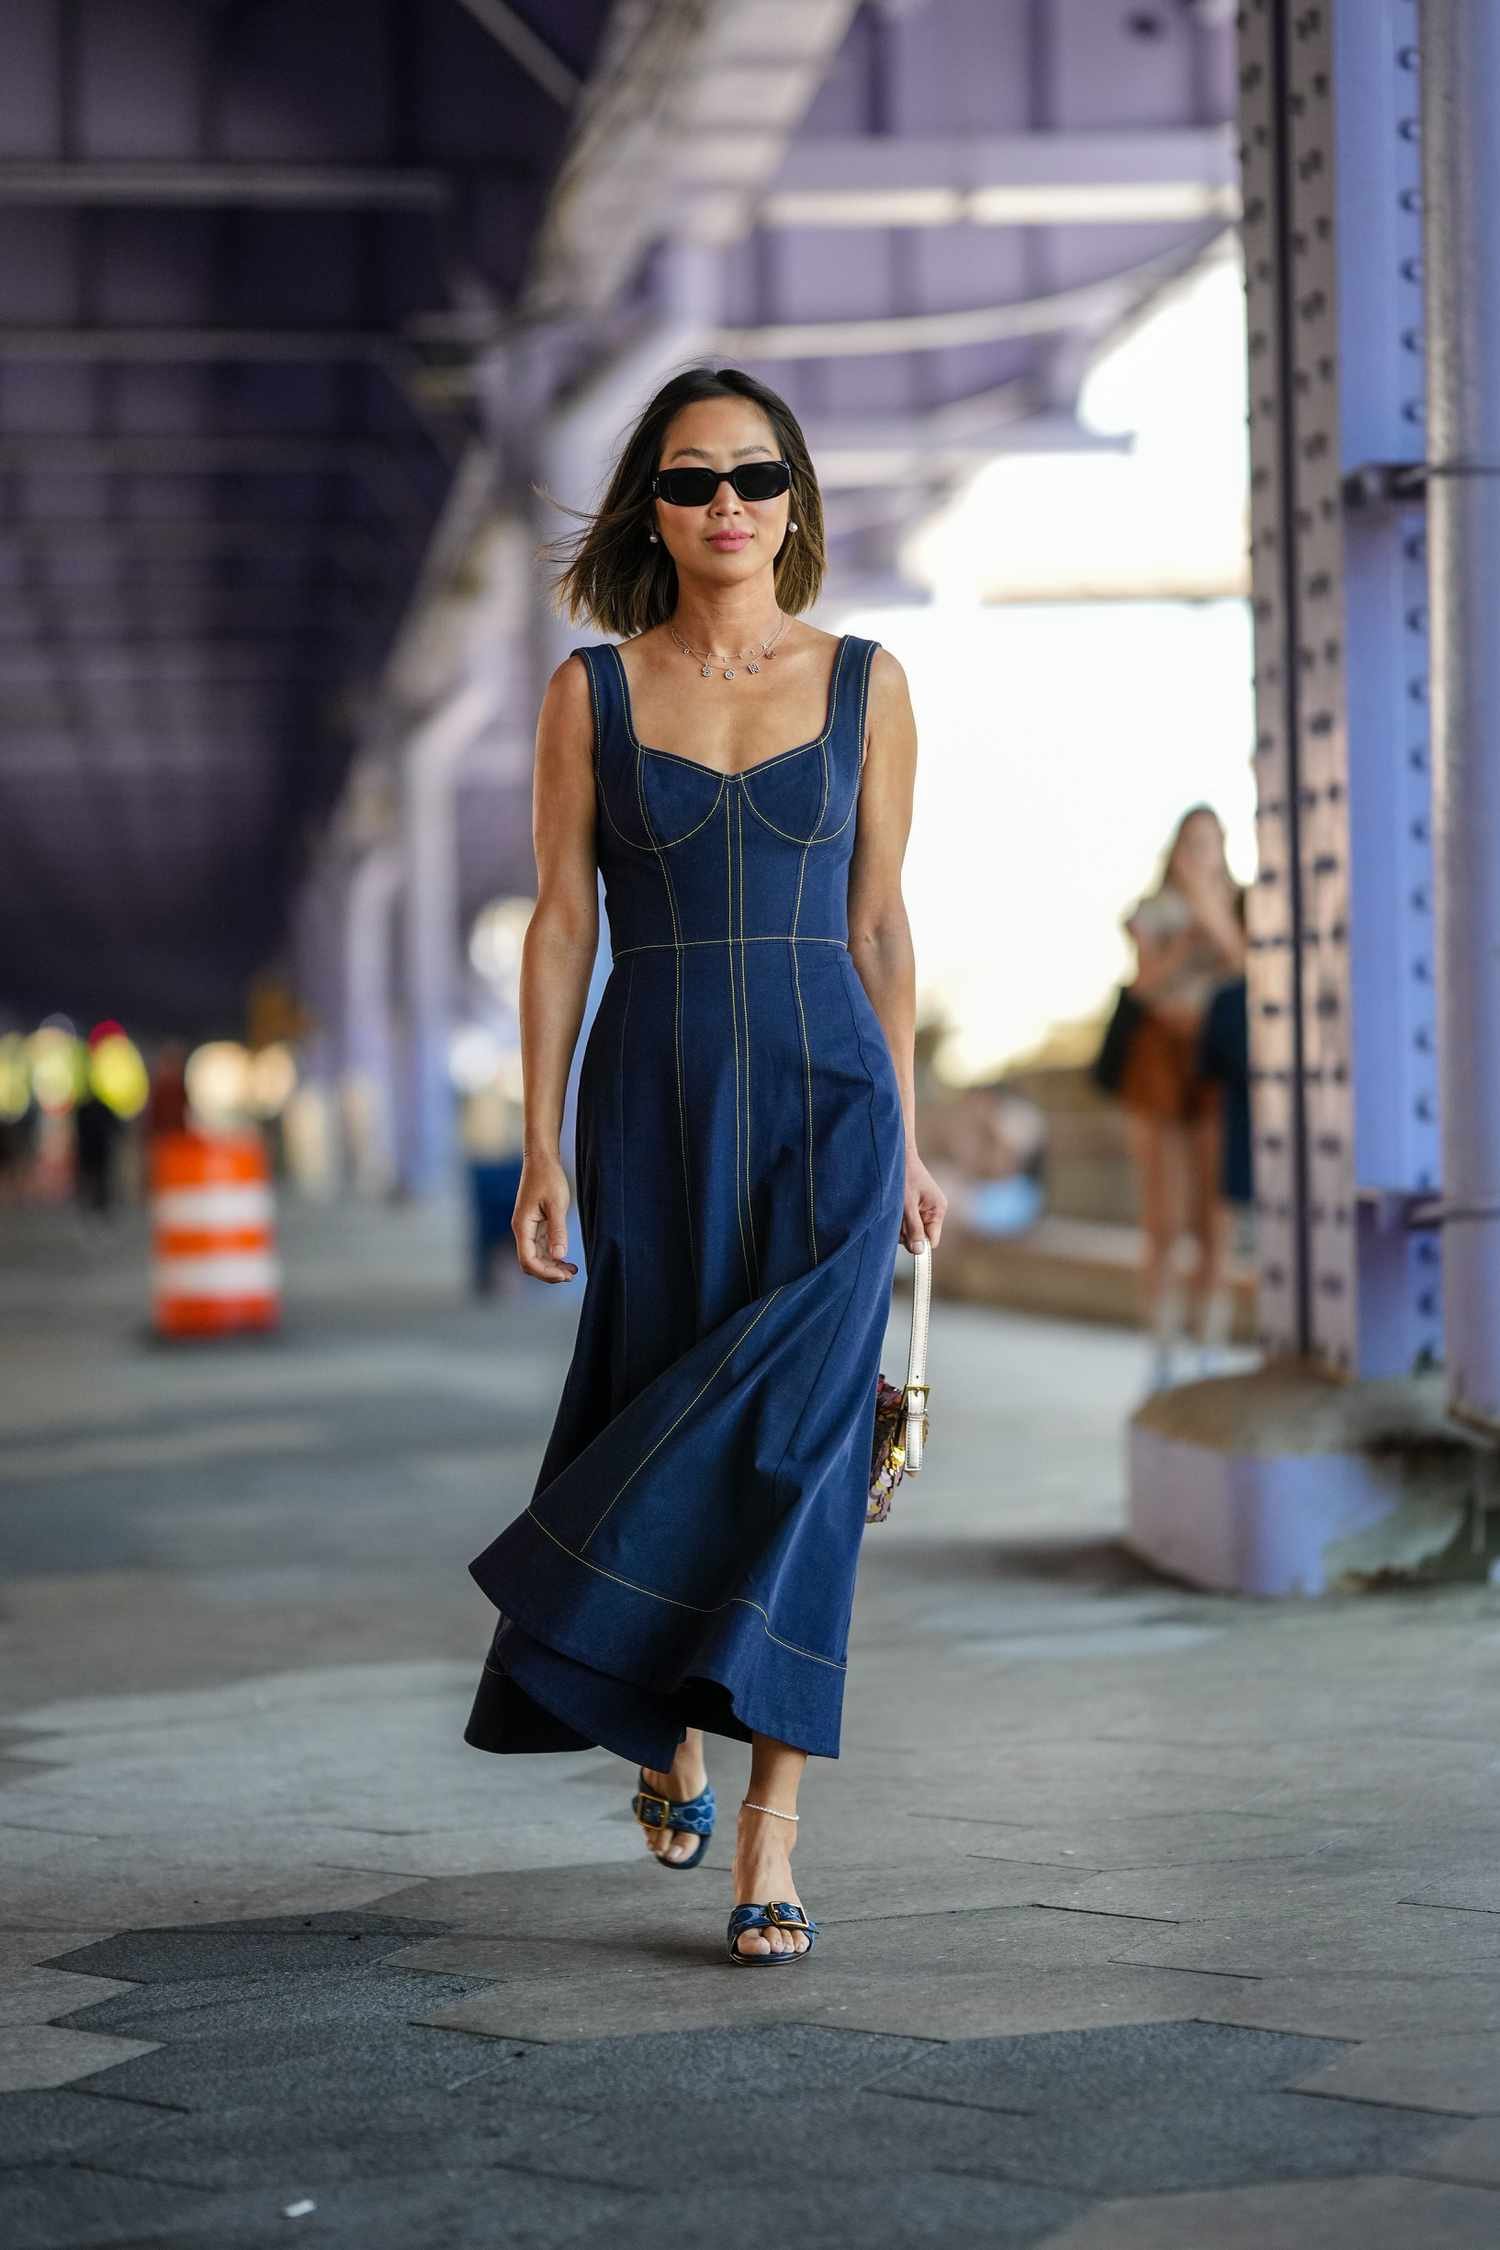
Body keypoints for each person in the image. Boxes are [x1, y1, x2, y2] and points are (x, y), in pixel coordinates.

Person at [462, 363, 946, 1966]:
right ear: (651, 513)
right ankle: (654, 1710)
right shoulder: (589, 693)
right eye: (690, 479)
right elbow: (560, 923)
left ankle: (773, 1824)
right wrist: (537, 1139)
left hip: (832, 1103)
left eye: (753, 473)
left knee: (805, 1451)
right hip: (653, 1097)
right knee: (658, 1399)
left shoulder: (870, 684)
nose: (725, 500)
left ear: (795, 498)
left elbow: (878, 924)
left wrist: (918, 1137)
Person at [1119, 805, 1247, 1390]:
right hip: (1161, 1064)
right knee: (1163, 1217)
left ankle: (1210, 1345)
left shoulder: (1242, 902)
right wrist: (1182, 938)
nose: (1200, 855)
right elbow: (1143, 986)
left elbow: (1247, 966)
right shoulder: (1150, 912)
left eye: (1210, 843)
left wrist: (1210, 911)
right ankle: (1162, 1347)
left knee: (1215, 1217)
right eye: (1191, 844)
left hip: (1217, 1067)